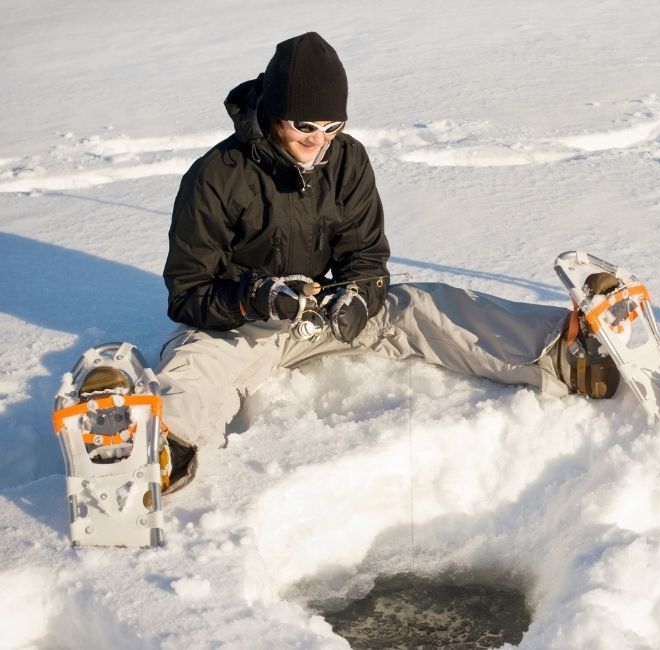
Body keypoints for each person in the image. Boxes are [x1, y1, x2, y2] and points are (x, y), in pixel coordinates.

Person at [157, 33, 620, 493]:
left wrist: (358, 295)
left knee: (421, 305)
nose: (319, 142)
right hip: (241, 323)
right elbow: (188, 291)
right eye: (305, 127)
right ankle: (161, 447)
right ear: (276, 113)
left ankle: (568, 352)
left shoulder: (347, 159)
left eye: (331, 127)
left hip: (316, 317)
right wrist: (255, 298)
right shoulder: (216, 176)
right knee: (197, 364)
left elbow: (365, 258)